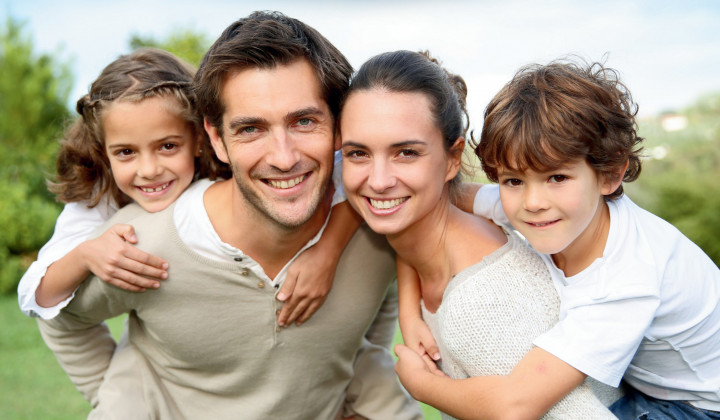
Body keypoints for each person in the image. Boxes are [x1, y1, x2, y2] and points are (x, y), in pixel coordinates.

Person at [36, 12, 422, 420]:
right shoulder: (139, 245)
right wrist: (121, 401)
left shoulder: (378, 227)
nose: (284, 157)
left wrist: (357, 389)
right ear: (216, 138)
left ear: (340, 127)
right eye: (251, 129)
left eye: (304, 121)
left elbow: (377, 297)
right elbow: (61, 319)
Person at [397, 58, 720, 419]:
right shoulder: (542, 210)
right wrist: (410, 313)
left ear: (610, 174)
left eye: (557, 178)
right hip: (645, 385)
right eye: (513, 180)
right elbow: (422, 210)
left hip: (694, 407)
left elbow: (515, 406)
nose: (533, 203)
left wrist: (421, 384)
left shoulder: (626, 279)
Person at [340, 50, 618, 419]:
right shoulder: (437, 240)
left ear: (453, 159)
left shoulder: (481, 304)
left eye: (406, 153)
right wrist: (409, 313)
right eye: (358, 153)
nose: (377, 181)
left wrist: (425, 387)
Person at [18, 48, 359, 328]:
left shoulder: (235, 162)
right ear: (103, 150)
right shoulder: (98, 196)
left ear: (200, 138)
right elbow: (36, 295)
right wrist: (85, 254)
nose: (149, 171)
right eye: (126, 152)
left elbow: (348, 170)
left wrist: (325, 253)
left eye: (168, 146)